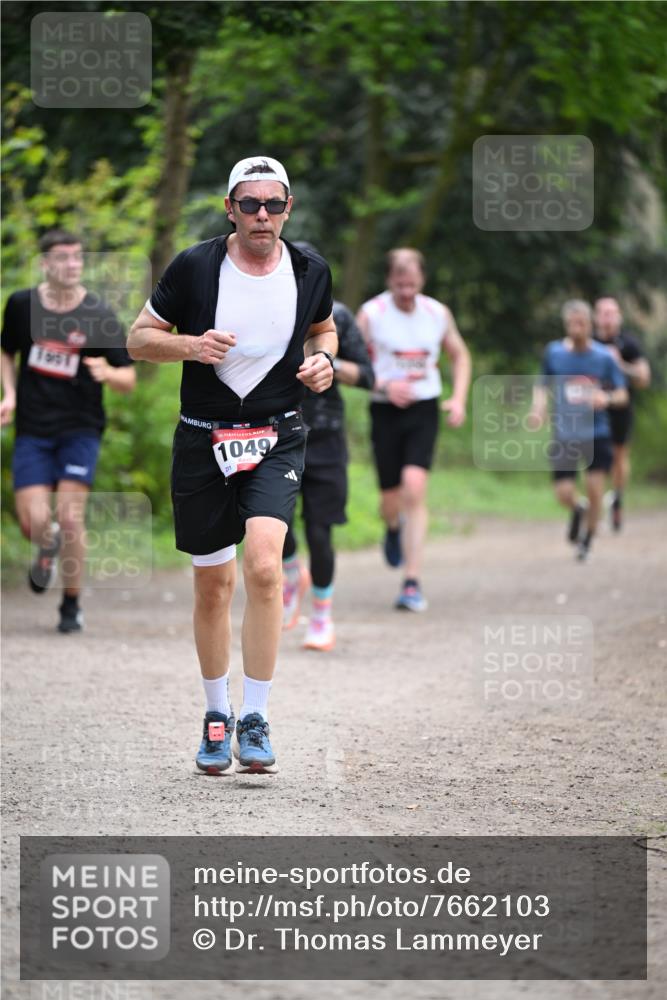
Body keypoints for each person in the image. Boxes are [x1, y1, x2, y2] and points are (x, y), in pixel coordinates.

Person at [127, 156, 337, 776]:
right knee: (214, 586)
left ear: (288, 209)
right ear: (230, 209)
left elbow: (323, 330)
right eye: (250, 205)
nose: (262, 216)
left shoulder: (309, 269)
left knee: (265, 567)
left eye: (274, 204)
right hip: (202, 439)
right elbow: (139, 339)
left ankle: (257, 717)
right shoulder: (196, 267)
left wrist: (323, 361)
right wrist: (190, 345)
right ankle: (216, 715)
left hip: (276, 435)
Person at [0, 229, 136, 632]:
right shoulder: (23, 306)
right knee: (33, 520)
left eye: (78, 257)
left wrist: (108, 372)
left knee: (70, 517)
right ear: (45, 263)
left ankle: (71, 605)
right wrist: (9, 394)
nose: (72, 264)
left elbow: (128, 379)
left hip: (80, 428)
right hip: (33, 428)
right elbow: (6, 350)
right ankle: (46, 544)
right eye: (63, 257)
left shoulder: (97, 314)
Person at [356, 247, 471, 612]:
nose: (406, 291)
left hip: (424, 407)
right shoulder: (372, 314)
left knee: (415, 487)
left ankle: (411, 581)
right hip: (385, 409)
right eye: (399, 283)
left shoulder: (437, 313)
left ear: (422, 279)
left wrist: (459, 398)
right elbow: (349, 363)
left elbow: (460, 355)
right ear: (389, 280)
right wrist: (384, 387)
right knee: (390, 499)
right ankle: (392, 528)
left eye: (412, 283)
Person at [281, 242, 374, 652]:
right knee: (271, 525)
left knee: (320, 532)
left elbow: (368, 376)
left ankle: (321, 617)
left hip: (325, 434)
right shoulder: (266, 311)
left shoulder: (339, 317)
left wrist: (327, 361)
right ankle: (290, 574)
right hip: (273, 431)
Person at [529, 300, 628, 562]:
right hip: (565, 431)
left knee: (595, 488)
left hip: (597, 432)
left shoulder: (604, 356)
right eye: (572, 323)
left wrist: (605, 399)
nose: (577, 328)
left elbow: (622, 394)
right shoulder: (554, 353)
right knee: (563, 492)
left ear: (590, 324)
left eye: (582, 323)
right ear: (566, 325)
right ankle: (577, 507)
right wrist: (538, 409)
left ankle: (587, 540)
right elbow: (542, 384)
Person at [593, 296, 651, 531]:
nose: (608, 317)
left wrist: (620, 365)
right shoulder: (589, 342)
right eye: (604, 312)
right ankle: (596, 503)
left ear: (619, 316)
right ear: (596, 316)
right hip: (593, 408)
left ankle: (616, 499)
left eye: (612, 312)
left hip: (620, 408)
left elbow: (644, 379)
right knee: (593, 459)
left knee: (618, 456)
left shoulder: (629, 344)